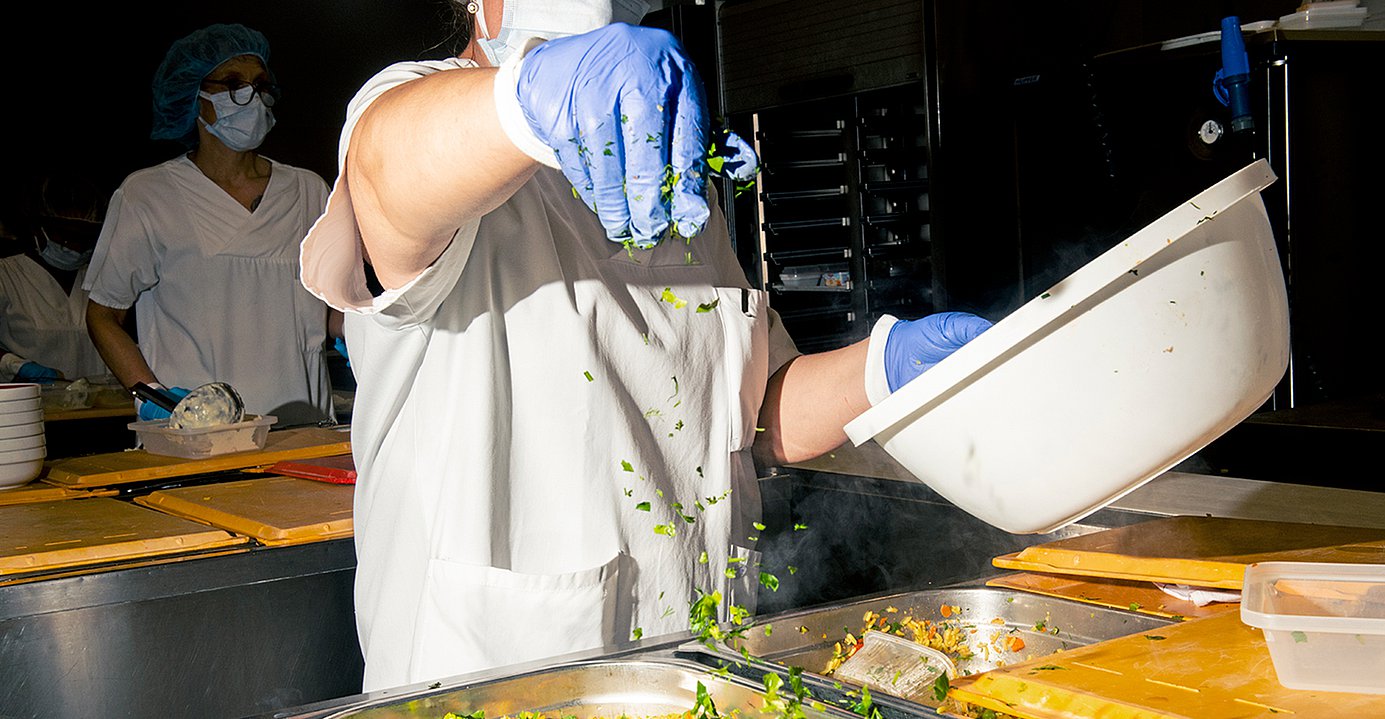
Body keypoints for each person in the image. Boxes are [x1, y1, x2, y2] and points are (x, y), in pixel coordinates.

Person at [300, 0, 992, 691]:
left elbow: (752, 408)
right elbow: (386, 174)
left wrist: (887, 370)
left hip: (696, 662)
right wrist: (529, 99)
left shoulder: (668, 170)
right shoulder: (420, 110)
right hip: (499, 678)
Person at [84, 23, 338, 426]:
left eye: (260, 85)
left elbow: (327, 309)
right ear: (195, 96)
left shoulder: (307, 190)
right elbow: (103, 314)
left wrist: (365, 329)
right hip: (197, 434)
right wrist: (154, 397)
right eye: (233, 83)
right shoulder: (149, 195)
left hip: (301, 431)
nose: (252, 97)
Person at [0, 171, 112, 383]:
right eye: (67, 236)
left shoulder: (101, 280)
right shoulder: (6, 277)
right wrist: (11, 364)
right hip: (25, 407)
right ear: (38, 227)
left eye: (86, 237)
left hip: (100, 407)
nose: (77, 246)